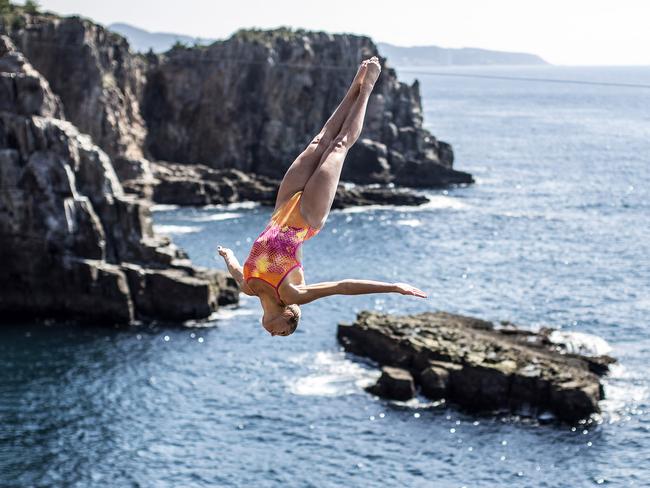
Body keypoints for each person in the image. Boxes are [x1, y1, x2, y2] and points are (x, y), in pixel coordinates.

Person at [218, 56, 426, 337]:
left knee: (320, 140)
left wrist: (227, 255)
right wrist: (392, 287)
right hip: (306, 218)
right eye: (282, 333)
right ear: (289, 317)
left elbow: (233, 267)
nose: (273, 334)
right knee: (338, 146)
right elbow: (343, 287)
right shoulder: (293, 294)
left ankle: (355, 85)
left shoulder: (247, 287)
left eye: (277, 335)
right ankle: (366, 89)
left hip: (281, 208)